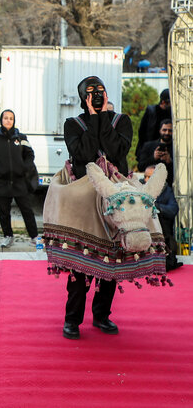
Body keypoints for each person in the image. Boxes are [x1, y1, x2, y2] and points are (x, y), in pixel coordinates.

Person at [61, 76, 133, 340]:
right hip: (83, 202)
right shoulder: (73, 124)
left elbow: (117, 151)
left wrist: (103, 118)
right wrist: (93, 118)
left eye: (100, 90)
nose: (97, 95)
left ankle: (102, 315)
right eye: (90, 92)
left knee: (110, 260)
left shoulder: (121, 122)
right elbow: (83, 154)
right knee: (80, 263)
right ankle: (72, 319)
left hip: (114, 203)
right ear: (83, 98)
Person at [0, 109, 38, 248]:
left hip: (19, 181)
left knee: (27, 210)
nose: (8, 120)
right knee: (4, 212)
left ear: (14, 121)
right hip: (1, 183)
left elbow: (30, 155)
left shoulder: (21, 138)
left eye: (11, 118)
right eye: (5, 118)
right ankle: (8, 236)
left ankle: (34, 237)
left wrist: (24, 167)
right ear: (1, 120)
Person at [142, 165, 183, 271]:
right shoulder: (139, 189)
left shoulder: (166, 190)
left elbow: (173, 209)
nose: (146, 180)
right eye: (145, 176)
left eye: (149, 177)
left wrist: (156, 207)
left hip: (162, 235)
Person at [135, 88, 171, 163]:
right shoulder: (151, 111)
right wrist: (145, 149)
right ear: (164, 102)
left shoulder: (170, 113)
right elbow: (142, 132)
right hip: (150, 147)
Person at [137, 119, 173, 186]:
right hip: (150, 184)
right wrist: (153, 158)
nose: (167, 133)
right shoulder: (148, 146)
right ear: (160, 130)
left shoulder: (176, 148)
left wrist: (169, 161)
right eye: (164, 130)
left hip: (170, 185)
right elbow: (140, 167)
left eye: (170, 130)